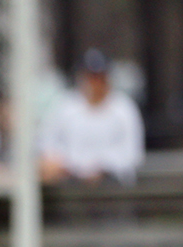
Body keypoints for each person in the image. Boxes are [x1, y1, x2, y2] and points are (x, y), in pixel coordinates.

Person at [39, 48, 144, 185]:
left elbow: (132, 154)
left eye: (99, 76)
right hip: (70, 181)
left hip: (113, 184)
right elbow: (47, 143)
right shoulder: (65, 105)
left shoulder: (124, 108)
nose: (95, 83)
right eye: (90, 76)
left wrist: (102, 167)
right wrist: (68, 165)